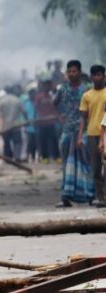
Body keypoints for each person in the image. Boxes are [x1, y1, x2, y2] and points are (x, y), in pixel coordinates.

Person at [56, 60, 94, 207]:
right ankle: (66, 195)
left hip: (84, 130)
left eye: (74, 71)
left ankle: (91, 194)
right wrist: (60, 117)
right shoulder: (63, 89)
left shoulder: (87, 89)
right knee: (66, 163)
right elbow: (55, 103)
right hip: (67, 130)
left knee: (86, 162)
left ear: (79, 72)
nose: (72, 74)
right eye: (69, 71)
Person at [83, 64, 106, 206]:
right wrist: (80, 135)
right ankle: (101, 197)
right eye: (95, 75)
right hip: (92, 133)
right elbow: (83, 117)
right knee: (96, 168)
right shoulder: (87, 95)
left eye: (100, 75)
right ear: (91, 77)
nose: (98, 77)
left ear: (104, 76)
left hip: (105, 133)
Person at [0, 86, 27, 161]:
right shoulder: (18, 100)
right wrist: (27, 121)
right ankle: (17, 157)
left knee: (7, 142)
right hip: (16, 125)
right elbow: (24, 112)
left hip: (6, 125)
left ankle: (7, 158)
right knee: (18, 142)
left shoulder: (2, 101)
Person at [34, 80, 60, 163]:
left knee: (54, 140)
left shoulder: (52, 96)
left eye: (48, 86)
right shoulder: (39, 97)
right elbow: (36, 109)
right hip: (42, 123)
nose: (46, 87)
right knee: (43, 141)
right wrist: (36, 119)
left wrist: (57, 117)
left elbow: (55, 108)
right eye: (45, 86)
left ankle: (57, 157)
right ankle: (45, 158)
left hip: (51, 122)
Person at [23, 87, 38, 162]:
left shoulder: (37, 103)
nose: (32, 95)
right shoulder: (26, 103)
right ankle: (27, 156)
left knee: (36, 143)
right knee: (29, 143)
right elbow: (24, 114)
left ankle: (34, 157)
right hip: (29, 127)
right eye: (31, 94)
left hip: (37, 126)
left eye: (33, 94)